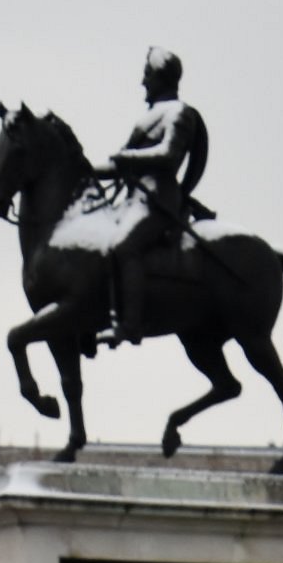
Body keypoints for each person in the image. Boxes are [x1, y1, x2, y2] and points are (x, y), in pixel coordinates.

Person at [93, 46, 208, 347]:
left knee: (123, 246)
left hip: (157, 201)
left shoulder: (179, 113)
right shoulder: (149, 116)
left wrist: (128, 157)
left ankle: (129, 325)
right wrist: (83, 170)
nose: (143, 83)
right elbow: (120, 164)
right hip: (134, 201)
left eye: (147, 76)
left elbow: (169, 156)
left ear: (161, 77)